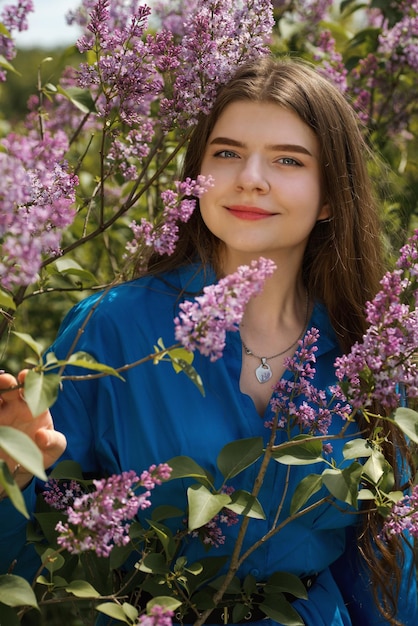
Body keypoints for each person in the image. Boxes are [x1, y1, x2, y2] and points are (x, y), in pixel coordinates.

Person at [0, 56, 416, 626]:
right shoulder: (112, 328)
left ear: (329, 197)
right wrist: (11, 475)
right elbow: (26, 565)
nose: (249, 176)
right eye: (226, 153)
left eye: (288, 160)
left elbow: (386, 567)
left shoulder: (364, 354)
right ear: (197, 177)